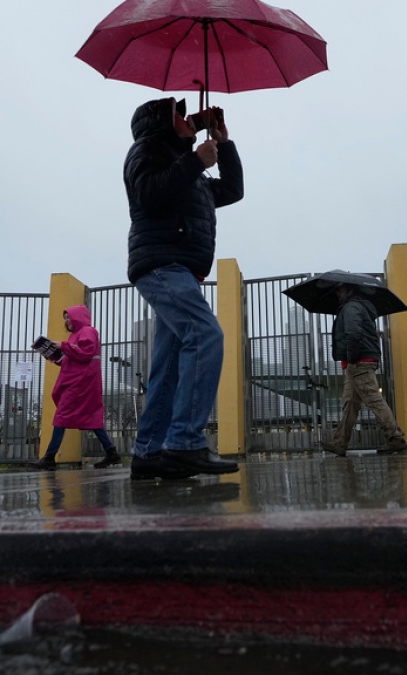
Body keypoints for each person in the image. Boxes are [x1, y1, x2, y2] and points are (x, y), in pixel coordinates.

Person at [123, 97, 243, 480]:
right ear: (162, 121)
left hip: (181, 272)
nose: (189, 119)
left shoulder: (191, 171)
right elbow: (148, 195)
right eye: (180, 113)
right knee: (205, 334)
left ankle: (149, 452)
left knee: (170, 364)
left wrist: (222, 144)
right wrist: (195, 161)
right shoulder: (147, 150)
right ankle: (185, 444)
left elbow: (234, 190)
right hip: (162, 266)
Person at [320, 284, 407, 456]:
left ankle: (396, 438)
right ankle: (339, 442)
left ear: (350, 290)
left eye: (340, 289)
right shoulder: (359, 307)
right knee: (350, 404)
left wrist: (352, 358)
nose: (338, 293)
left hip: (359, 362)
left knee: (374, 401)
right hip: (358, 362)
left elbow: (353, 334)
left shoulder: (351, 307)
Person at [28, 305, 121, 471]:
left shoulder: (87, 330)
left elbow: (86, 352)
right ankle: (111, 453)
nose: (67, 321)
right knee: (91, 416)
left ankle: (49, 457)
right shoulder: (75, 335)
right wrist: (52, 355)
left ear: (78, 317)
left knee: (62, 415)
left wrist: (62, 346)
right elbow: (71, 359)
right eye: (65, 318)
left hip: (80, 383)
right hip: (80, 382)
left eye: (69, 317)